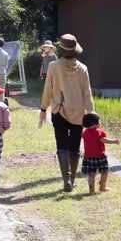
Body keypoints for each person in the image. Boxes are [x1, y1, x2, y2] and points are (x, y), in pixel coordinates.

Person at [39, 33, 94, 192]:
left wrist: (43, 109)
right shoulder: (83, 69)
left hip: (59, 111)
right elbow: (87, 93)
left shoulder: (53, 67)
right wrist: (91, 113)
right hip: (79, 114)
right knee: (75, 147)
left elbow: (47, 90)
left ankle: (66, 182)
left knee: (61, 145)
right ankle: (72, 179)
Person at [81, 112, 120, 194]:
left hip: (88, 156)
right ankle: (102, 187)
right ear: (96, 122)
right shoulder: (99, 132)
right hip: (99, 156)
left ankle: (91, 190)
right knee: (104, 172)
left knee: (91, 174)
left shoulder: (85, 132)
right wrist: (114, 141)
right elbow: (102, 140)